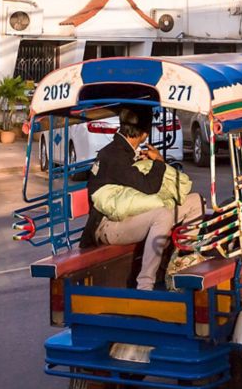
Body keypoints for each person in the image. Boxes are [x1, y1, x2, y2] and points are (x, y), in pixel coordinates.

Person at [81, 111, 203, 290]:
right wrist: (158, 162)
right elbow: (149, 187)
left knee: (195, 201)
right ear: (145, 133)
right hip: (108, 225)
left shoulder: (124, 151)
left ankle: (182, 263)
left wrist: (146, 163)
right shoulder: (115, 155)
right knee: (162, 215)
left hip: (129, 215)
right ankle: (145, 284)